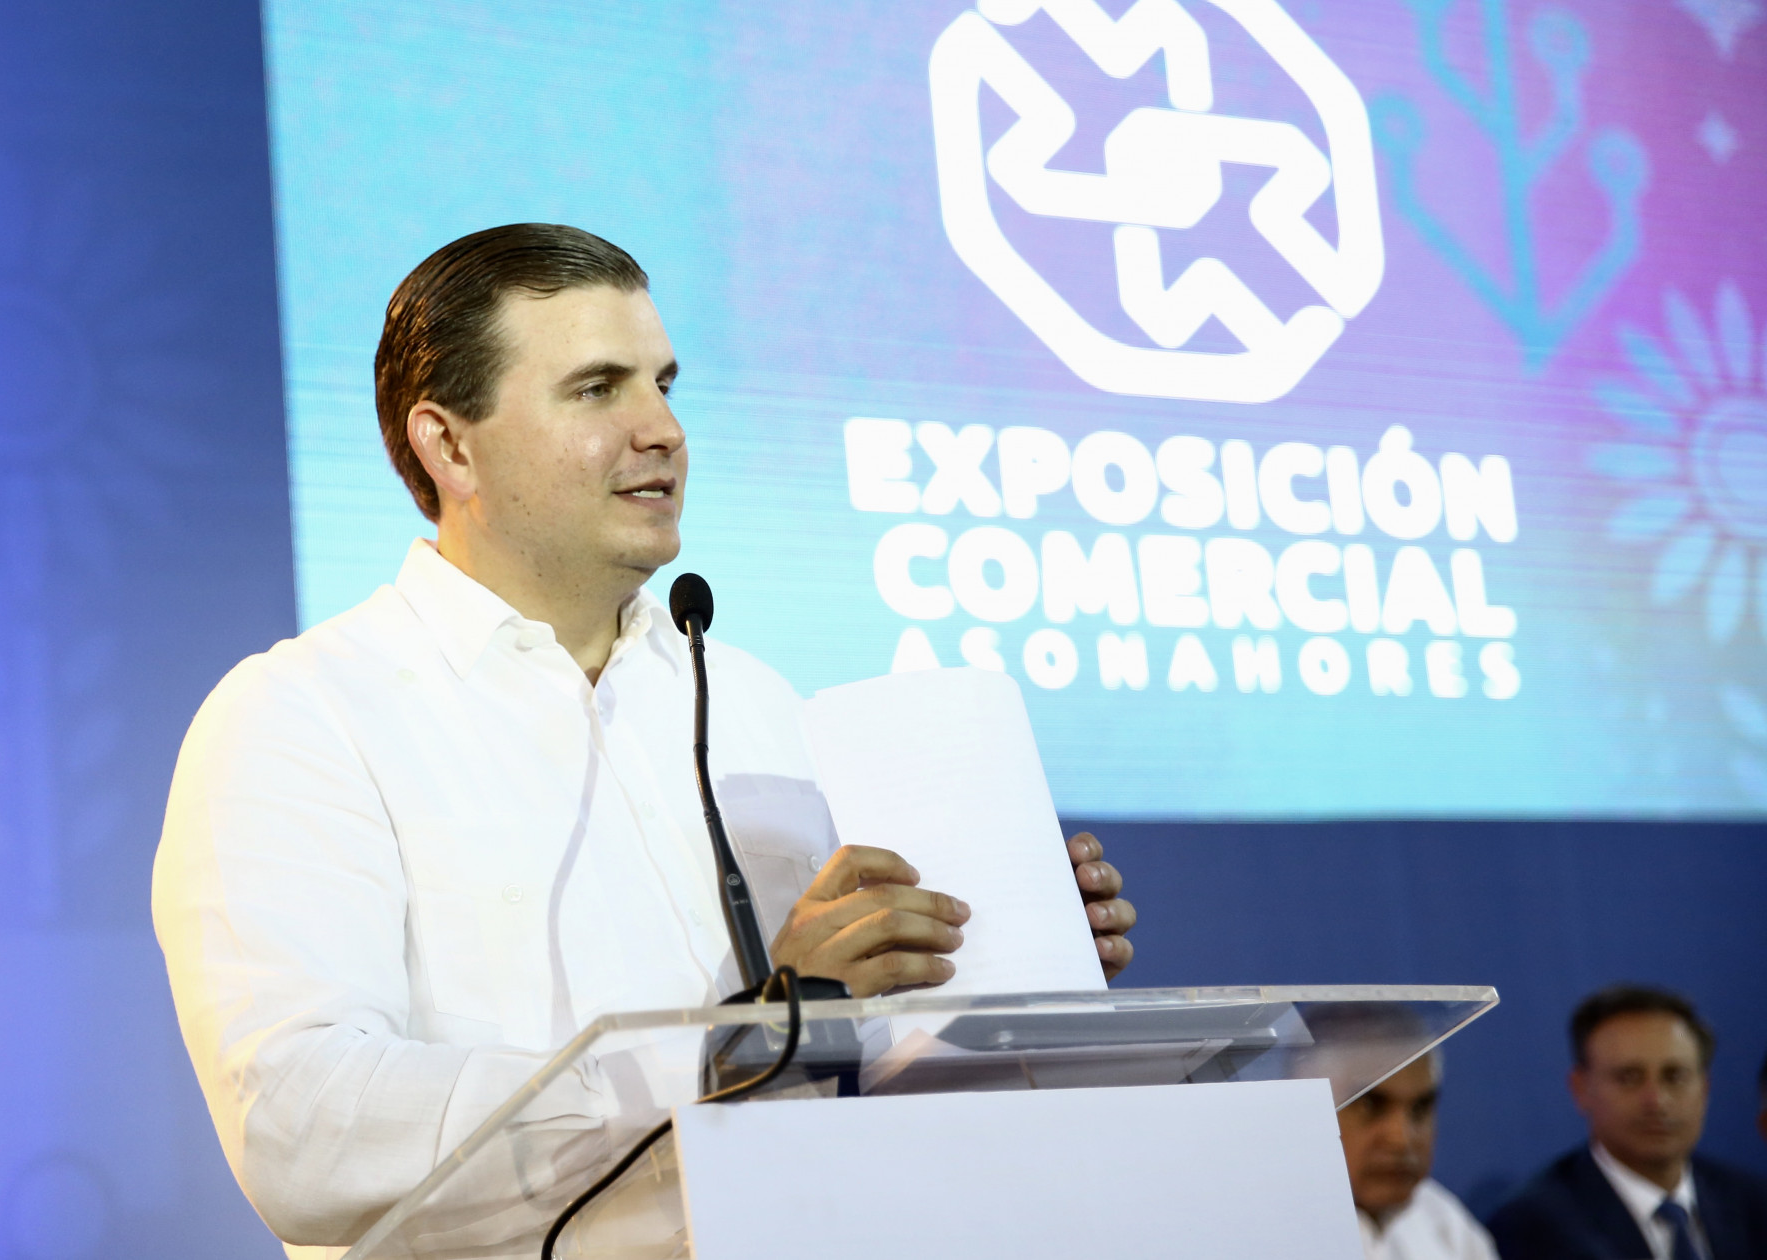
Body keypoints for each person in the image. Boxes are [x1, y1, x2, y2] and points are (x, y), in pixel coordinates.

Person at [152, 224, 1137, 1257]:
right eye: (597, 389)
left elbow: (845, 1073)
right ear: (450, 446)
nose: (663, 430)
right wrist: (738, 1047)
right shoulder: (303, 715)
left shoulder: (756, 703)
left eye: (663, 385)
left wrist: (996, 959)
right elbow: (301, 1127)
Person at [1488, 985, 1767, 1260]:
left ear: (1705, 1088)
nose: (1656, 1101)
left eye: (1675, 1076)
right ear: (1581, 1088)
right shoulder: (1532, 1228)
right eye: (1629, 1077)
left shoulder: (1754, 1203)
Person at [1341, 1052, 1499, 1260]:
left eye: (1420, 1107)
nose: (1401, 1140)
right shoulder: (1297, 1230)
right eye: (1369, 1105)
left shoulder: (1446, 1224)